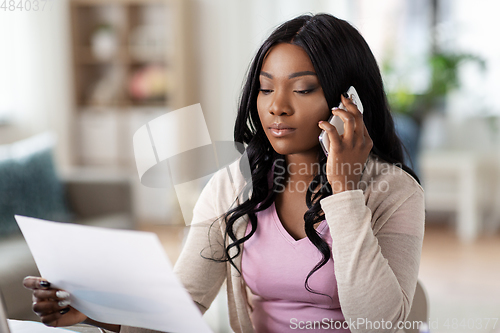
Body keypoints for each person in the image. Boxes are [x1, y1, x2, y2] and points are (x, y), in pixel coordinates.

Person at [24, 13, 425, 333]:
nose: (277, 107)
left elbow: (382, 327)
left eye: (302, 89)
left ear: (349, 101)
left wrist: (345, 191)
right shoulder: (234, 185)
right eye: (266, 89)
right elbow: (181, 304)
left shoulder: (395, 192)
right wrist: (92, 313)